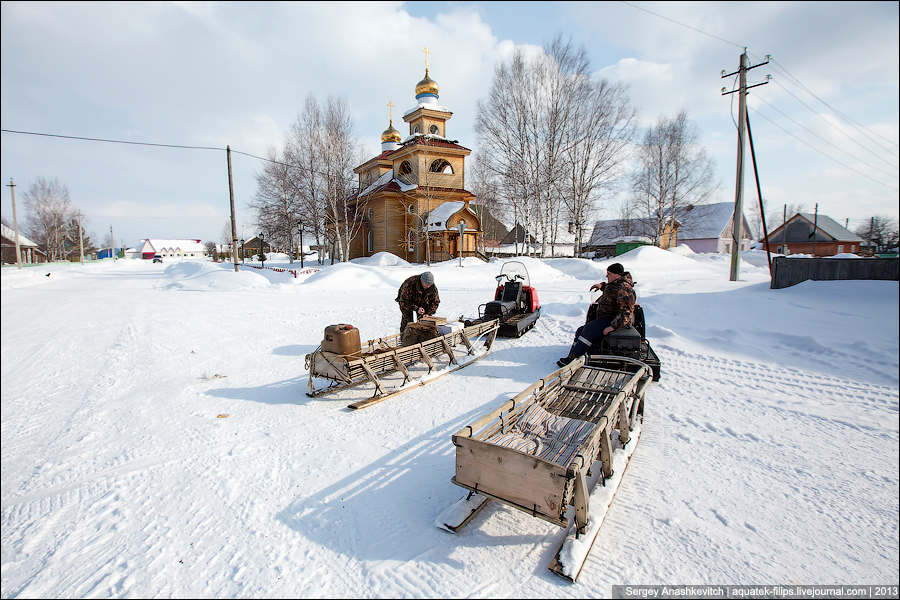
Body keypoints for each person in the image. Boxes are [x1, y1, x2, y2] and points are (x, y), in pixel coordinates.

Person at [557, 262, 635, 367]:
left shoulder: (623, 289)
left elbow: (626, 312)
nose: (606, 276)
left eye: (609, 274)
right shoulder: (616, 283)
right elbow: (611, 288)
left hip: (615, 321)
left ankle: (572, 359)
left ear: (616, 275)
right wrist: (602, 286)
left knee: (589, 330)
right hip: (607, 318)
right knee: (581, 330)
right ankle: (574, 354)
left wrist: (612, 326)